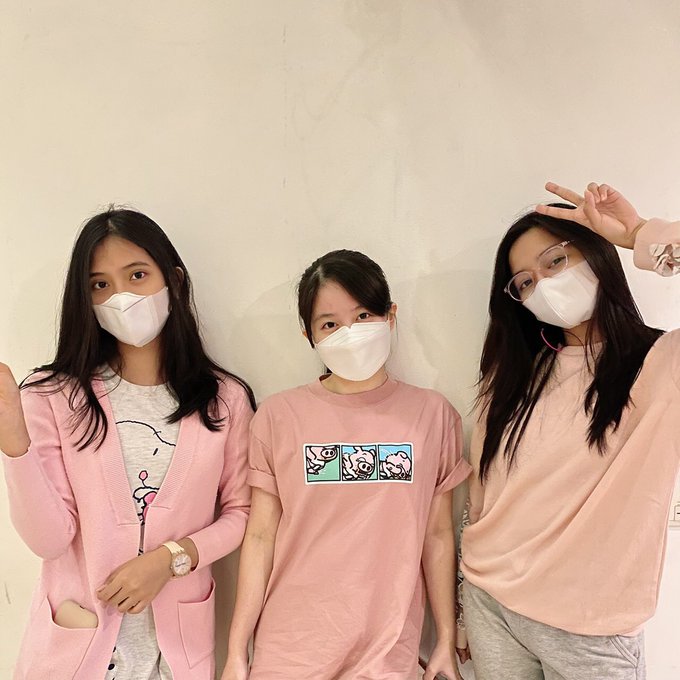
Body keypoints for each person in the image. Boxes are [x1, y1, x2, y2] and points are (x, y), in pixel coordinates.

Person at [0, 208, 255, 680]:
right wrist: (15, 446)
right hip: (75, 653)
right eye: (100, 284)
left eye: (137, 275)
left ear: (174, 281)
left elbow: (241, 513)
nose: (121, 297)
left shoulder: (225, 399)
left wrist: (170, 560)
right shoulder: (51, 395)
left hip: (176, 659)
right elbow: (48, 540)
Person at [461, 181, 680, 679]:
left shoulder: (663, 362)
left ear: (594, 253)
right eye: (524, 282)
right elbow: (482, 498)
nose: (541, 285)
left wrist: (640, 235)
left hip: (590, 627)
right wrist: (460, 603)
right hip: (490, 603)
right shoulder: (514, 375)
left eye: (555, 261)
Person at [221, 249, 471, 680]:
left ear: (390, 316)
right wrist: (236, 649)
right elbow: (260, 536)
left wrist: (445, 639)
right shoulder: (279, 417)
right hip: (291, 647)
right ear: (309, 335)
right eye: (330, 324)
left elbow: (437, 535)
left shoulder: (432, 415)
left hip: (388, 648)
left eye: (363, 315)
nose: (350, 332)